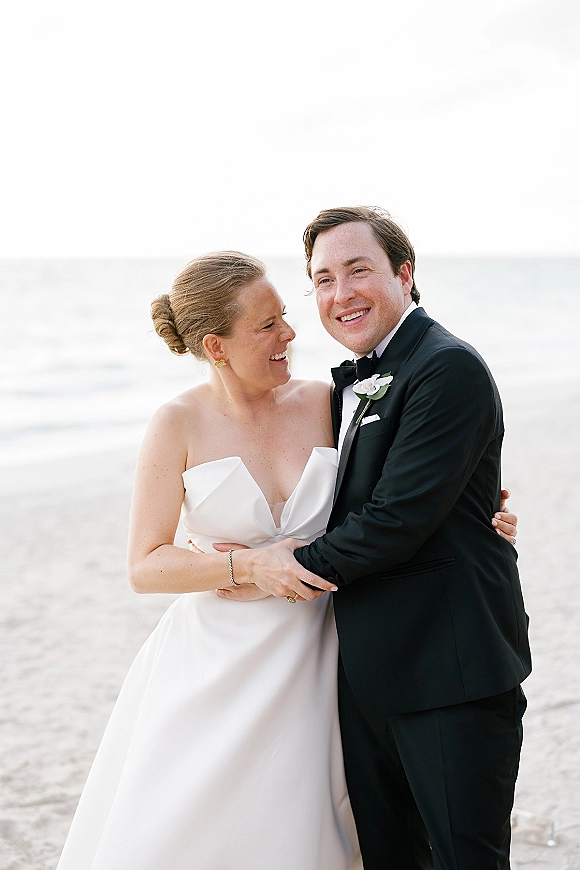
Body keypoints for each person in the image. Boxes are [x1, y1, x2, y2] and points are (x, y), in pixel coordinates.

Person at [55, 249, 519, 870]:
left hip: (326, 656)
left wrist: (479, 516)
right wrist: (246, 568)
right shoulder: (176, 425)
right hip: (216, 663)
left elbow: (402, 495)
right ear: (217, 347)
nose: (291, 334)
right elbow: (145, 565)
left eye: (284, 316)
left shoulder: (330, 402)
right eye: (267, 325)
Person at [226, 207, 531, 870]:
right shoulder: (357, 381)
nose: (341, 294)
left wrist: (271, 568)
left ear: (405, 274)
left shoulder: (446, 368)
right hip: (369, 673)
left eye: (358, 270)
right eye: (324, 279)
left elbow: (393, 522)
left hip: (450, 670)